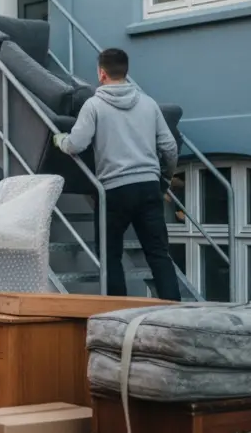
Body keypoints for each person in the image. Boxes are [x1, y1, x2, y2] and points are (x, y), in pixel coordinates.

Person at [53, 48, 181, 301]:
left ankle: (120, 314)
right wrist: (165, 177)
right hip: (147, 186)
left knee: (110, 254)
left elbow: (76, 144)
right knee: (158, 253)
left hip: (114, 191)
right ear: (126, 71)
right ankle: (174, 311)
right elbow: (169, 147)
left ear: (101, 73)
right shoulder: (148, 103)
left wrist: (60, 140)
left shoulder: (94, 106)